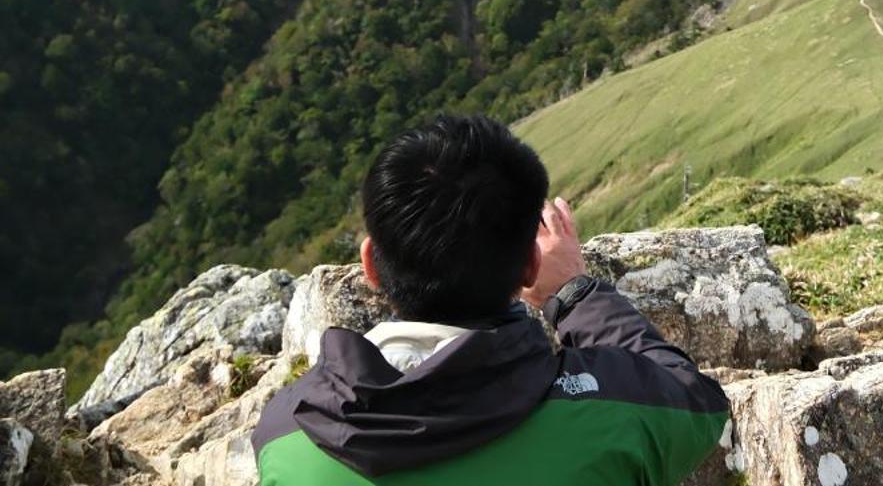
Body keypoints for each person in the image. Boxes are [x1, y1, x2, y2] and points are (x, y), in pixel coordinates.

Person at [255, 114, 730, 485]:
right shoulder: (612, 411)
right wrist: (574, 293)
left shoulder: (285, 435)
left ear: (370, 266)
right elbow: (697, 403)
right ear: (529, 266)